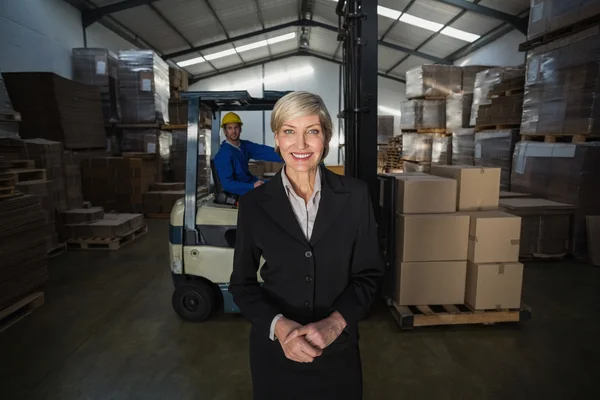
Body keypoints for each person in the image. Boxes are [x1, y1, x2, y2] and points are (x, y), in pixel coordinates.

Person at [229, 91, 384, 399]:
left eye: (311, 131)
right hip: (275, 354)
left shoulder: (355, 196)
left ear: (326, 137)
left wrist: (334, 324)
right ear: (276, 138)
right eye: (289, 132)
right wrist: (281, 328)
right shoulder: (254, 204)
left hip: (337, 353)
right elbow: (242, 284)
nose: (300, 145)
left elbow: (369, 275)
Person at [213, 112, 283, 196]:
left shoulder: (244, 146)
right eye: (230, 128)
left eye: (236, 127)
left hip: (251, 183)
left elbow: (263, 151)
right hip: (243, 190)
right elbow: (228, 184)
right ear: (225, 131)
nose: (233, 131)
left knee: (280, 185)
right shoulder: (223, 154)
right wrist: (252, 186)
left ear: (240, 129)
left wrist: (285, 155)